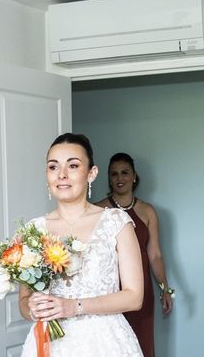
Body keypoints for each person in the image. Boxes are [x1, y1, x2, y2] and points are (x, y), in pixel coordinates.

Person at [19, 133, 144, 356]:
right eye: (53, 167)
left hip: (105, 343)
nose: (62, 175)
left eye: (73, 166)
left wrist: (74, 306)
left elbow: (134, 297)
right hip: (50, 343)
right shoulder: (33, 230)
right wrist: (33, 308)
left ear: (91, 173)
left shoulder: (116, 223)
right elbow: (24, 301)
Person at [95, 152, 174, 357]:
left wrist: (165, 289)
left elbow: (155, 254)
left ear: (134, 176)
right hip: (110, 289)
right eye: (114, 174)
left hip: (142, 289)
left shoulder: (148, 211)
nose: (120, 178)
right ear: (109, 178)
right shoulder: (98, 210)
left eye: (125, 173)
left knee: (142, 344)